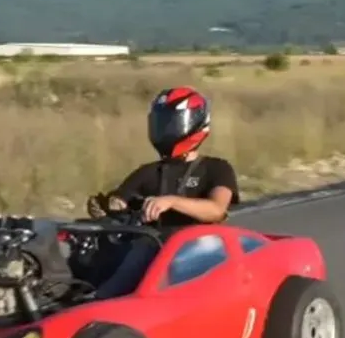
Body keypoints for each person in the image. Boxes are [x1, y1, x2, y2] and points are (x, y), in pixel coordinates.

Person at [85, 85, 239, 299]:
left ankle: (105, 303)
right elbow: (119, 202)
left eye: (171, 124)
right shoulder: (148, 172)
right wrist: (105, 208)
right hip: (154, 245)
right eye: (162, 124)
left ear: (194, 123)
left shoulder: (216, 168)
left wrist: (172, 201)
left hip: (200, 247)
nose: (165, 130)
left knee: (152, 253)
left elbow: (217, 210)